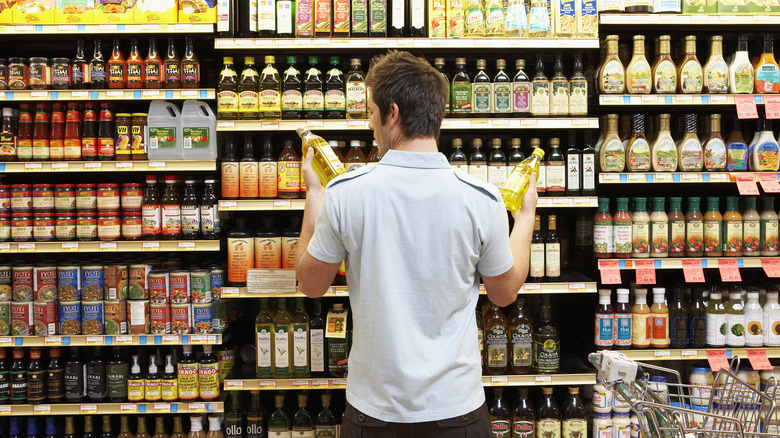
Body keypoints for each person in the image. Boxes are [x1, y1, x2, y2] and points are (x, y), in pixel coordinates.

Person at [294, 50, 537, 437]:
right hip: (457, 410)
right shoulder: (482, 198)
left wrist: (314, 194)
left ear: (392, 113)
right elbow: (505, 293)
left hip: (373, 414)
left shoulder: (345, 193)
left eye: (371, 112)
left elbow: (310, 284)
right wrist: (524, 218)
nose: (370, 124)